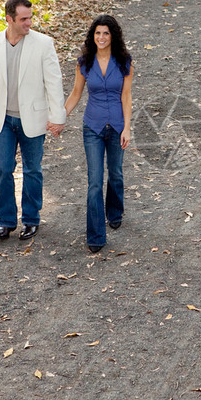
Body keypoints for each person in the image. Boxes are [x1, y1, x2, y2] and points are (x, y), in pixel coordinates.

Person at [0, 0, 66, 241]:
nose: (29, 23)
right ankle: (6, 221)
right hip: (2, 120)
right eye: (24, 19)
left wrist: (58, 117)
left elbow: (53, 82)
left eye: (30, 18)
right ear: (9, 19)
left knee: (32, 170)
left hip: (32, 118)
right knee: (2, 169)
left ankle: (31, 219)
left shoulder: (43, 44)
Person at [64, 14, 133, 253]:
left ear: (113, 36)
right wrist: (60, 116)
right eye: (97, 33)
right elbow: (75, 93)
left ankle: (114, 211)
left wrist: (127, 127)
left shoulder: (124, 61)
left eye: (106, 33)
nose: (101, 37)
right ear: (92, 36)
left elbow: (126, 96)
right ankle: (95, 236)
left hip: (116, 126)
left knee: (115, 174)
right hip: (92, 127)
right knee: (94, 182)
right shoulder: (85, 62)